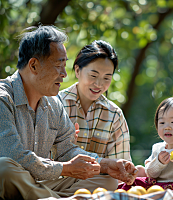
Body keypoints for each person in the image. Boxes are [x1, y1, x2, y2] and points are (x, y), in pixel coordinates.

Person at [0, 25, 137, 200]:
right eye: (58, 65)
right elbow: (15, 157)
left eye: (64, 64)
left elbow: (67, 149)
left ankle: (49, 198)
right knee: (3, 168)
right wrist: (65, 168)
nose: (64, 74)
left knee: (106, 181)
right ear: (34, 65)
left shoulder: (53, 103)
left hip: (37, 184)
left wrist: (106, 165)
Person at [57, 40, 134, 191]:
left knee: (109, 183)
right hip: (56, 180)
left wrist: (127, 171)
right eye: (93, 75)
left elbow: (120, 168)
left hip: (92, 185)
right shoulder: (56, 104)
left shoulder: (114, 115)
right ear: (77, 71)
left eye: (107, 78)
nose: (99, 84)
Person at [118, 97, 173, 191]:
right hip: (157, 186)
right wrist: (159, 162)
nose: (166, 127)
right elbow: (150, 174)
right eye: (162, 122)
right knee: (136, 178)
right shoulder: (157, 148)